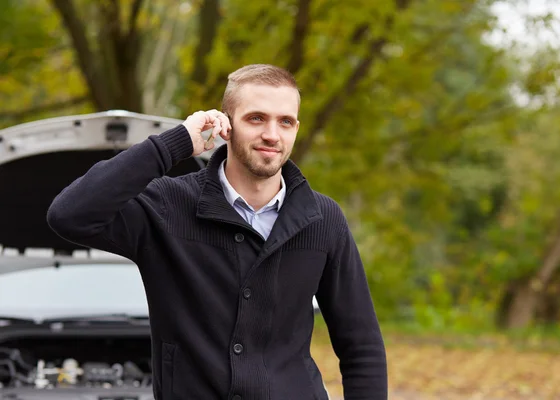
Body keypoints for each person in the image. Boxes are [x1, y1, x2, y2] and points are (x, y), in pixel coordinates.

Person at [47, 64, 387, 400]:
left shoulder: (323, 218)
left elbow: (361, 347)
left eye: (285, 121)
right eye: (256, 118)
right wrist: (174, 144)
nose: (272, 134)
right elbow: (69, 215)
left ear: (296, 128)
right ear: (227, 125)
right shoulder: (167, 206)